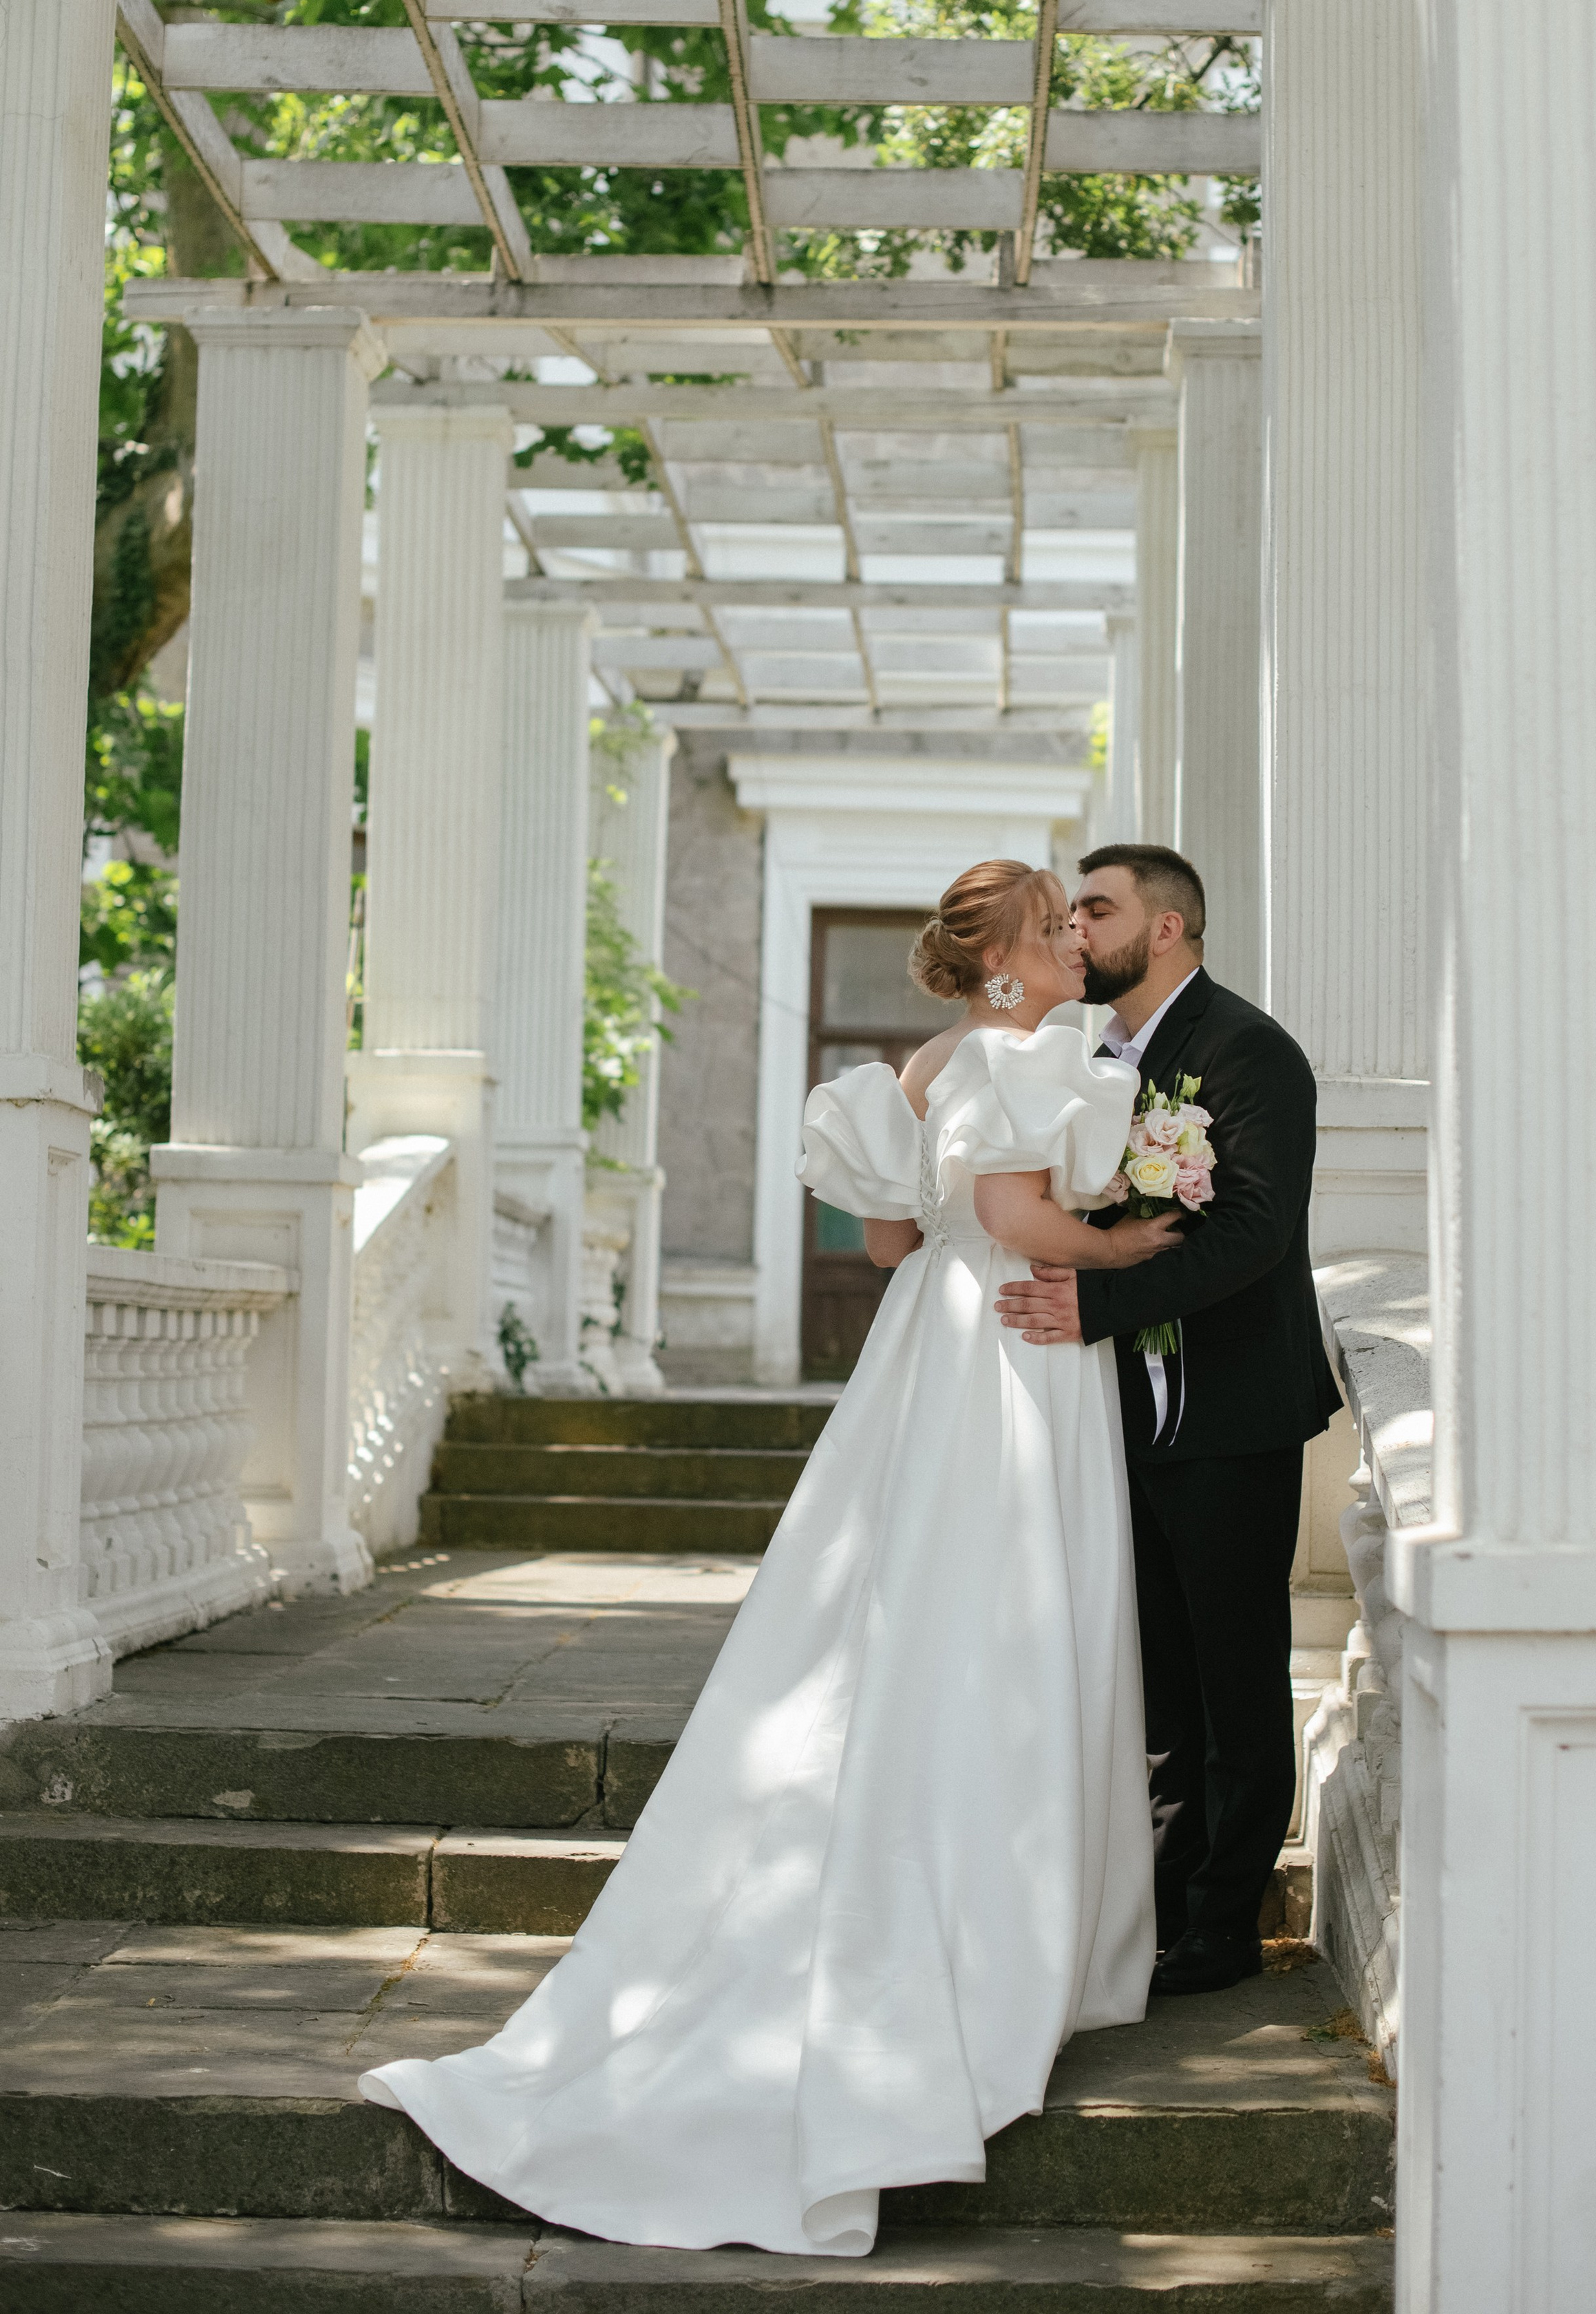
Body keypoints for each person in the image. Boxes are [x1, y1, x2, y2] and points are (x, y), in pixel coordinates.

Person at [359, 859, 1183, 2257]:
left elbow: (882, 1234)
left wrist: (994, 1224)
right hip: (1007, 1346)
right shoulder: (1008, 1054)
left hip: (925, 1340)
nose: (1067, 948)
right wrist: (1134, 1236)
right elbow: (1013, 1219)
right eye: (1049, 931)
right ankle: (999, 1918)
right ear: (998, 968)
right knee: (1006, 1610)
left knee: (904, 1598)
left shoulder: (915, 1067)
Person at [995, 845, 1340, 1999]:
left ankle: (1223, 1922)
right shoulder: (1092, 1052)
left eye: (1098, 909)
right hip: (1117, 1417)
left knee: (1237, 1672)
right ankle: (1160, 1894)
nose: (1077, 930)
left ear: (1171, 929)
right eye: (1072, 913)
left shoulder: (1249, 1052)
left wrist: (1097, 1299)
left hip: (1231, 1408)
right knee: (1158, 1673)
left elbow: (1252, 1233)